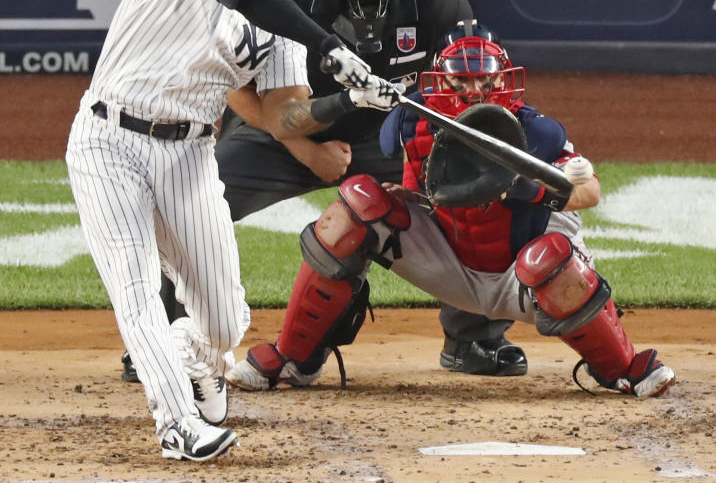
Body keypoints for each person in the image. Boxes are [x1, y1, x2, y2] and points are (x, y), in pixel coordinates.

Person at [65, 0, 400, 462]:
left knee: (223, 319)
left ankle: (199, 364)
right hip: (108, 141)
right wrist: (330, 46)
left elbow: (283, 119)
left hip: (189, 156)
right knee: (139, 291)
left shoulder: (282, 34)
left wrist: (348, 97)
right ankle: (177, 426)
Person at [225, 23, 677, 400]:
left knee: (552, 258)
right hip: (449, 261)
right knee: (357, 202)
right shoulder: (411, 121)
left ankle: (621, 367)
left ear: (503, 80)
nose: (474, 91)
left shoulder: (533, 130)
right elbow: (410, 186)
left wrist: (533, 191)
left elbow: (589, 190)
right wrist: (402, 198)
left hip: (520, 275)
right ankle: (294, 359)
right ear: (441, 81)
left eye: (485, 80)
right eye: (461, 81)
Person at [213, 0, 528, 391]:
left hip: (393, 139)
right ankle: (170, 336)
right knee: (196, 199)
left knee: (474, 179)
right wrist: (309, 153)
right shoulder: (292, 1)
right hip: (287, 131)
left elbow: (467, 94)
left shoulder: (440, 4)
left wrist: (450, 157)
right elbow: (236, 88)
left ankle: (473, 337)